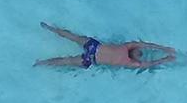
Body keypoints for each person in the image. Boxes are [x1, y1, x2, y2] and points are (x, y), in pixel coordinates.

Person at [35, 22, 176, 69]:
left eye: (139, 52)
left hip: (92, 57)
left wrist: (164, 59)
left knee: (66, 61)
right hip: (94, 48)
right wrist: (164, 49)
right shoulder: (129, 48)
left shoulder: (129, 60)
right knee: (72, 38)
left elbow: (148, 64)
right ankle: (51, 29)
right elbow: (147, 45)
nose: (140, 50)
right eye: (140, 51)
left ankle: (42, 62)